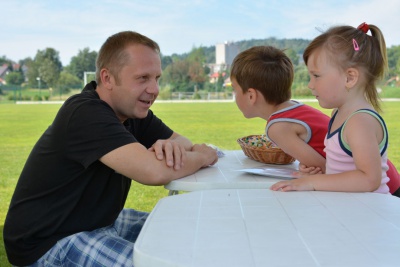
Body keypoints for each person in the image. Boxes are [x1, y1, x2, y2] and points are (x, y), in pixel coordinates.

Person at [3, 31, 218, 266]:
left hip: (99, 222)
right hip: (50, 241)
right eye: (143, 78)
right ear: (107, 78)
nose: (154, 89)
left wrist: (172, 147)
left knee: (186, 229)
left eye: (157, 77)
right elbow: (154, 172)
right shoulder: (84, 112)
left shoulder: (134, 113)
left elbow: (183, 142)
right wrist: (202, 156)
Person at [270, 22, 400, 196]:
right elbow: (344, 173)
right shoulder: (339, 114)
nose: (310, 85)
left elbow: (369, 179)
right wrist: (321, 175)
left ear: (349, 78)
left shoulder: (359, 122)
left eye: (316, 76)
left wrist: (312, 182)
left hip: (370, 215)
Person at [230, 45, 330, 173]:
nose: (234, 95)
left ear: (251, 96)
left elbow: (324, 168)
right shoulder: (294, 107)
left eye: (234, 89)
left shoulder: (278, 127)